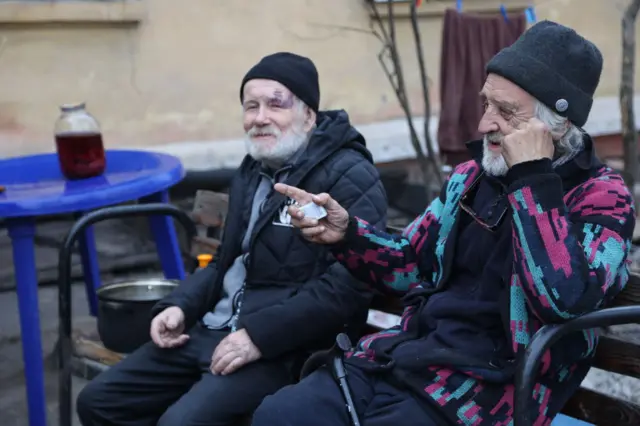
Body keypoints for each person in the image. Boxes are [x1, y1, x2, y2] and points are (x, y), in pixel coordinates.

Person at [251, 21, 636, 426]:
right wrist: (348, 234)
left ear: (555, 126)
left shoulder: (602, 198)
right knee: (279, 415)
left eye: (506, 112)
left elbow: (562, 301)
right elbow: (411, 264)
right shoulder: (471, 177)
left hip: (489, 390)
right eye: (486, 103)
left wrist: (532, 180)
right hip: (410, 359)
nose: (485, 123)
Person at [76, 52, 388, 426]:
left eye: (276, 104)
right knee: (99, 402)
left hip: (286, 347)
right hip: (211, 330)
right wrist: (180, 306)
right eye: (250, 106)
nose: (260, 118)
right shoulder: (253, 171)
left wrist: (257, 336)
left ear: (309, 115)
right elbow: (229, 261)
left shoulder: (349, 174)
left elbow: (347, 289)